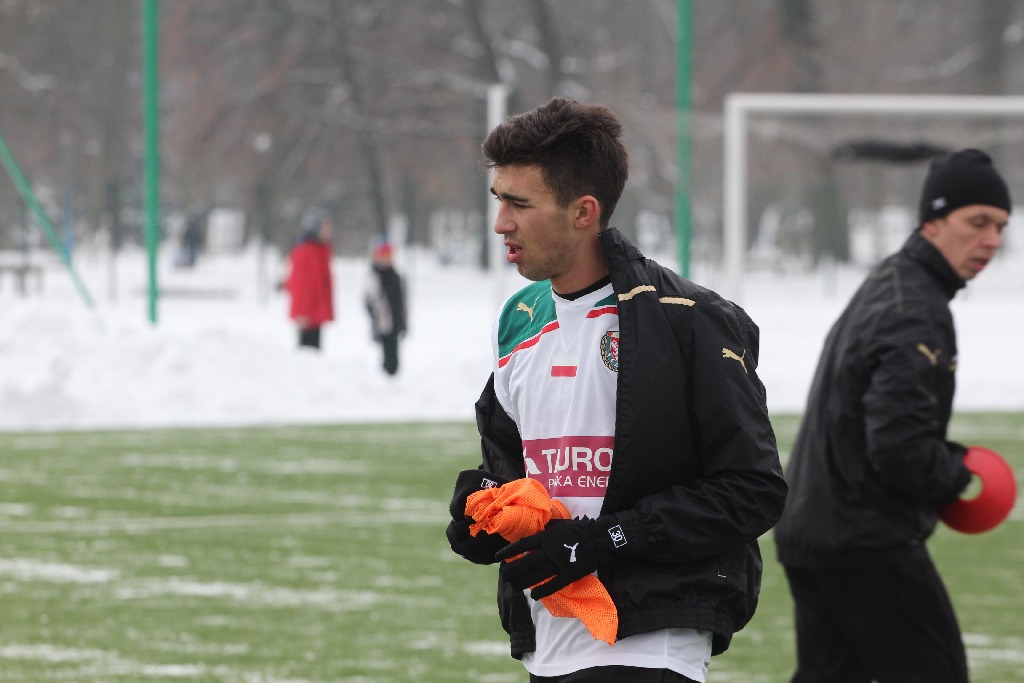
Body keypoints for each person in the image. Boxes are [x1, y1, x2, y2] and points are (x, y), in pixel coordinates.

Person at [445, 97, 788, 682]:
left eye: (520, 204)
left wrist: (604, 540)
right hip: (548, 641)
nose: (501, 222)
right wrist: (483, 512)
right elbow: (513, 469)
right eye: (499, 200)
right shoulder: (520, 317)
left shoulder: (687, 318)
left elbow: (751, 489)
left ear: (584, 212)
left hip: (648, 645)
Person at [773, 148, 1013, 683]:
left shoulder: (896, 284)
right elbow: (899, 449)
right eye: (977, 223)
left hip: (814, 531)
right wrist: (957, 473)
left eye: (1000, 226)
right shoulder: (914, 309)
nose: (992, 241)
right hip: (866, 541)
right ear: (933, 221)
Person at [285, 208, 334, 350]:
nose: (329, 232)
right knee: (306, 352)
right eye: (325, 228)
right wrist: (303, 313)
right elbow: (301, 284)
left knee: (314, 350)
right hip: (307, 314)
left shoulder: (320, 250)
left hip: (315, 312)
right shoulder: (305, 251)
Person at [364, 240, 407, 375]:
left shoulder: (396, 276)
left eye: (389, 256)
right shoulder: (375, 276)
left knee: (394, 350)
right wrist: (377, 315)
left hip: (396, 320)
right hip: (382, 321)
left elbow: (402, 300)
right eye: (384, 256)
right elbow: (369, 299)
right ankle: (385, 376)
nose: (387, 259)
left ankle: (393, 375)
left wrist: (403, 320)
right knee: (386, 351)